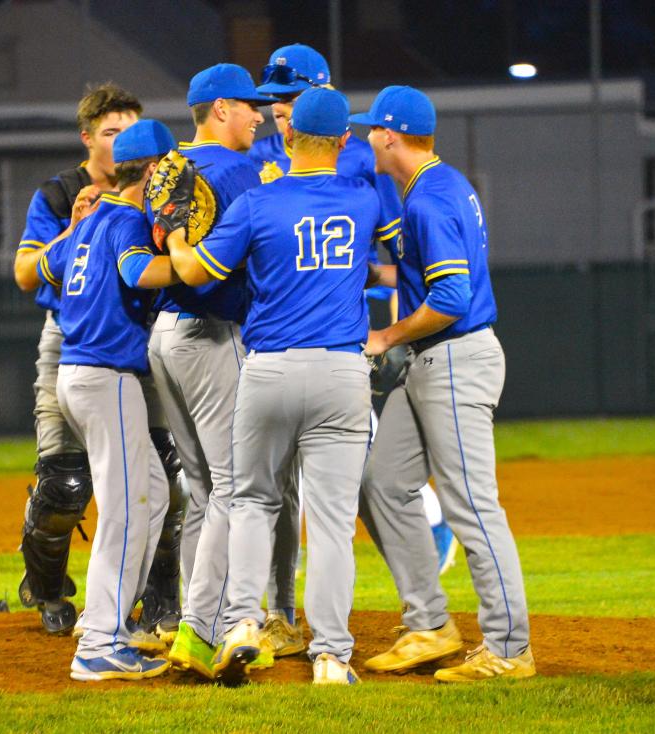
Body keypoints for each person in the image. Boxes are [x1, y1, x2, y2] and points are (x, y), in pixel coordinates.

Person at [247, 44, 457, 661]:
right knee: (283, 492)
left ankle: (413, 612)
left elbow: (397, 260)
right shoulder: (266, 154)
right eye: (272, 102)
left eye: (287, 100)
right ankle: (281, 616)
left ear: (319, 96)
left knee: (352, 489)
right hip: (271, 341)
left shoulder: (360, 162)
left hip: (343, 345)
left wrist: (393, 329)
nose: (278, 111)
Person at [166, 87, 380, 685]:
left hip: (268, 372)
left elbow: (194, 272)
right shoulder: (363, 200)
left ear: (286, 137)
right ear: (345, 141)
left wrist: (175, 230)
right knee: (333, 521)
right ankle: (332, 657)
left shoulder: (258, 203)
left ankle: (240, 626)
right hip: (341, 372)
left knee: (253, 503)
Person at [350, 86, 535, 682]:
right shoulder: (436, 185)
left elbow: (452, 297)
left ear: (390, 134)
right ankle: (430, 622)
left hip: (453, 358)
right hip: (433, 363)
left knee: (472, 505)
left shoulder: (429, 199)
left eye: (371, 129)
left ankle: (510, 648)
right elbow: (418, 265)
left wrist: (387, 336)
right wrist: (366, 272)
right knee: (381, 481)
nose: (364, 137)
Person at [12, 84, 185, 640]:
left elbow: (56, 268)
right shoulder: (114, 217)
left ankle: (130, 612)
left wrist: (83, 234)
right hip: (102, 368)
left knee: (154, 492)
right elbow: (136, 274)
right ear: (155, 168)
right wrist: (197, 263)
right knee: (122, 503)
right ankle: (100, 634)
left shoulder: (98, 220)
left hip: (90, 367)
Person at [145, 64, 272, 668]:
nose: (260, 115)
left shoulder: (175, 166)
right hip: (212, 336)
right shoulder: (238, 169)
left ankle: (209, 624)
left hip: (164, 337)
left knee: (202, 491)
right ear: (220, 109)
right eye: (250, 106)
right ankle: (202, 629)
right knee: (233, 488)